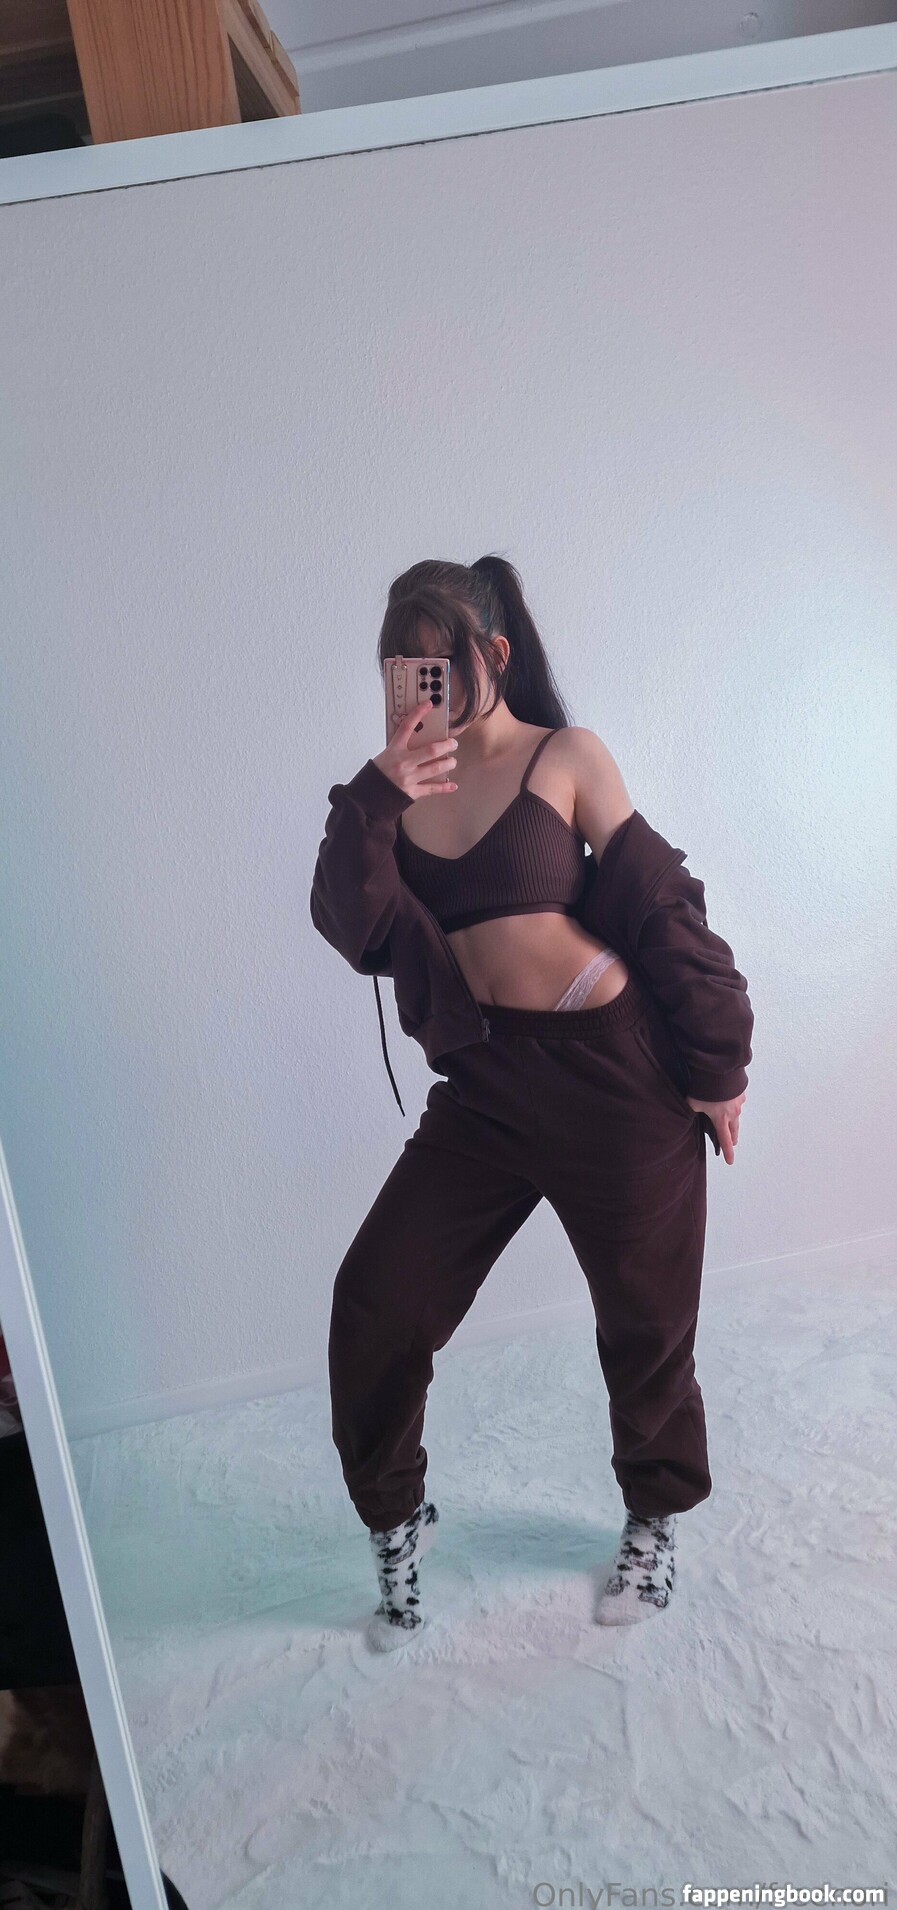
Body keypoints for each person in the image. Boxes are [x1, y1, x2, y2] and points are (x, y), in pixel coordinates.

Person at [310, 555, 753, 1649]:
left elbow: (661, 906)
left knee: (645, 1325)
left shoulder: (566, 757)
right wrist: (378, 790)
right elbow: (349, 928)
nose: (419, 688)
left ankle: (654, 1518)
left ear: (492, 656)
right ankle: (397, 1519)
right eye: (401, 669)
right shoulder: (396, 796)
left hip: (617, 1081)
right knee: (377, 1301)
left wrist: (718, 1065)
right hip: (485, 1091)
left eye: (438, 664)